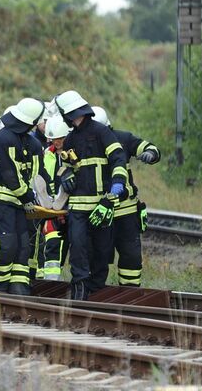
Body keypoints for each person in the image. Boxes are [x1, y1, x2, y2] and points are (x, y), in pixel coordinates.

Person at [53, 91, 128, 300]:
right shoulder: (70, 139)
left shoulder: (102, 133)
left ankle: (97, 289)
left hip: (101, 204)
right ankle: (80, 288)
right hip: (77, 206)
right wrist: (65, 174)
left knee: (102, 249)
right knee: (78, 247)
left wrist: (117, 186)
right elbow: (62, 167)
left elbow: (118, 159)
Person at [0, 98, 45, 295]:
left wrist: (40, 198)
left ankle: (18, 287)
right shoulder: (3, 138)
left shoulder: (33, 143)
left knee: (23, 246)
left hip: (19, 203)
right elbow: (11, 174)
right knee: (6, 244)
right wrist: (28, 197)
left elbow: (37, 174)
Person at [92, 106, 161, 287]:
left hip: (126, 212)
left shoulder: (123, 139)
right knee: (98, 257)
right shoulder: (85, 143)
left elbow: (147, 146)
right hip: (98, 212)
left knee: (130, 256)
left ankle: (130, 293)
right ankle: (95, 293)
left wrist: (150, 154)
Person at [36, 115, 71, 280]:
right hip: (51, 208)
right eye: (54, 139)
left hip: (72, 207)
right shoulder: (46, 155)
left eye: (60, 139)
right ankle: (51, 282)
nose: (57, 142)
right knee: (52, 245)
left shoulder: (74, 154)